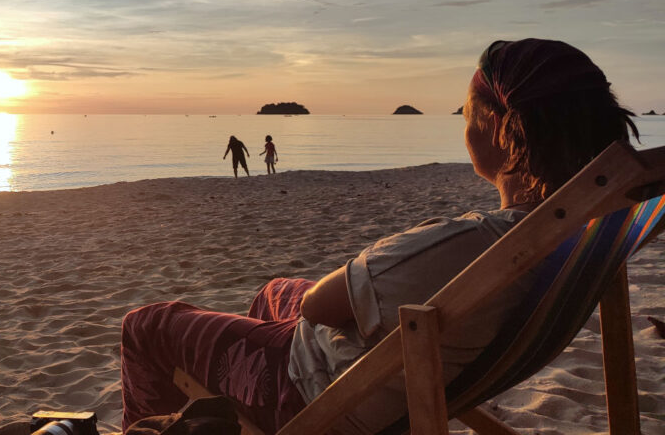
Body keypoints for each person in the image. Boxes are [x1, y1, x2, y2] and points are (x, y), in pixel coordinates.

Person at [119, 39, 638, 434]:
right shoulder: (573, 229)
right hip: (401, 366)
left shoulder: (476, 245)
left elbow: (321, 308)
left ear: (499, 128)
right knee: (271, 290)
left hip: (325, 392)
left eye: (466, 113)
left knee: (145, 324)